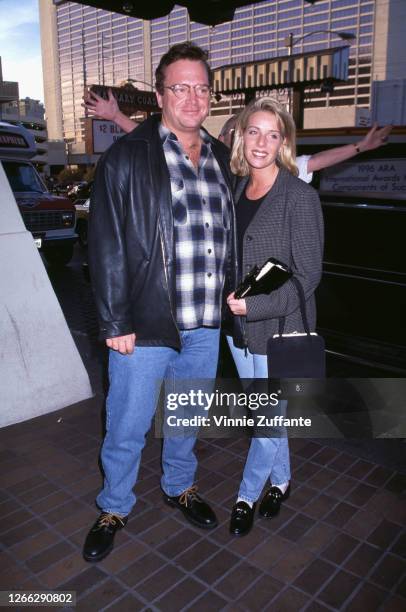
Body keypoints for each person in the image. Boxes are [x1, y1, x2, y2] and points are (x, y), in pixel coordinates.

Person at [84, 42, 238, 562]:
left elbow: (231, 234)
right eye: (180, 87)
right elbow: (104, 243)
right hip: (144, 324)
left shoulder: (221, 157)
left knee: (184, 418)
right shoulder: (128, 156)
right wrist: (114, 319)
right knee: (127, 423)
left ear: (210, 94)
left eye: (201, 87)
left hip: (205, 325)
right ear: (159, 95)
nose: (192, 98)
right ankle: (114, 506)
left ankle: (179, 486)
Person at [225, 97, 324, 536]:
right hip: (238, 329)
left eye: (273, 134)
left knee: (265, 423)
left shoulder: (298, 196)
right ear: (240, 136)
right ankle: (282, 480)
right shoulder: (234, 190)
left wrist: (257, 305)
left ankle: (247, 495)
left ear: (283, 142)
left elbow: (308, 275)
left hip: (277, 331)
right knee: (267, 417)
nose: (261, 142)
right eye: (254, 131)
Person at [84, 89, 392, 183]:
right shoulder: (208, 160)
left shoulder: (268, 171)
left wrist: (360, 146)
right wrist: (115, 116)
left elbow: (314, 162)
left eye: (241, 131)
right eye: (232, 131)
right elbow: (159, 136)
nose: (237, 137)